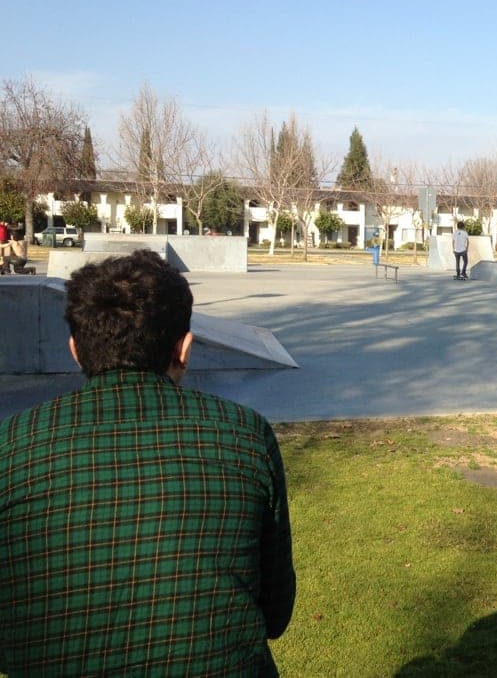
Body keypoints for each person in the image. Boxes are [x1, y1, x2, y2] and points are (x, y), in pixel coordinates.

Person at [0, 250, 295, 676]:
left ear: (75, 350)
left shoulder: (11, 446)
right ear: (185, 348)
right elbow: (276, 611)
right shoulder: (246, 435)